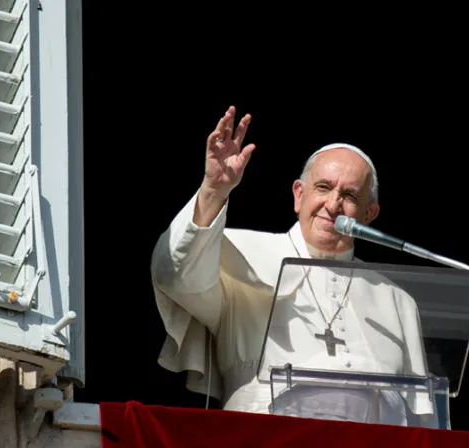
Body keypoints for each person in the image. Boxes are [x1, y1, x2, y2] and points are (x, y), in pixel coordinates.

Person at [150, 106, 436, 426]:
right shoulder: (235, 254)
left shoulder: (396, 301)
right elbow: (175, 275)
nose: (333, 205)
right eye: (323, 188)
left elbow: (422, 422)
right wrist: (213, 191)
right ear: (299, 195)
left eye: (350, 195)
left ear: (370, 213)